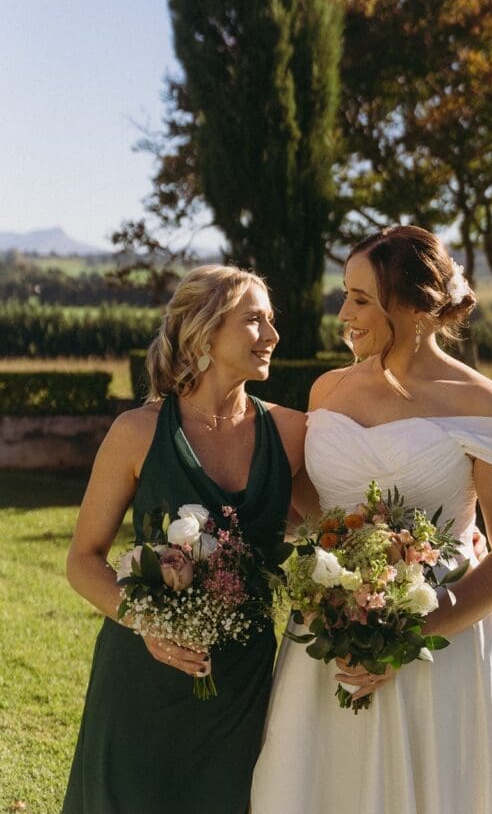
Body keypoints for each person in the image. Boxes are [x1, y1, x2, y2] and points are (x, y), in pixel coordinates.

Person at [250, 224, 492, 814]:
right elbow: (319, 509)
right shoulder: (326, 392)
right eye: (345, 293)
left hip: (442, 644)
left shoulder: (481, 404)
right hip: (330, 638)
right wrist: (338, 585)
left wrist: (401, 636)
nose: (344, 312)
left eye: (362, 299)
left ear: (414, 307)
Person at [62, 265, 314, 814]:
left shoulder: (293, 434)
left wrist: (456, 541)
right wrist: (146, 623)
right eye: (254, 321)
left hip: (238, 689)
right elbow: (82, 560)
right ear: (203, 331)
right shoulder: (136, 432)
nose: (272, 336)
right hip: (138, 680)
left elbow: (339, 531)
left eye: (272, 321)